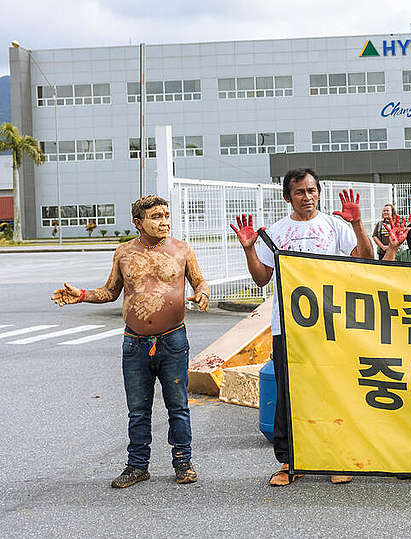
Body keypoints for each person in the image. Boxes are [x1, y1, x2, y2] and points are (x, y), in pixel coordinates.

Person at [51, 195, 209, 488]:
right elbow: (111, 292)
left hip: (172, 340)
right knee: (138, 410)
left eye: (166, 215)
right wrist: (83, 295)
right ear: (138, 222)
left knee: (178, 406)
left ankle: (183, 462)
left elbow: (199, 282)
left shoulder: (182, 250)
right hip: (134, 343)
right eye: (156, 217)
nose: (164, 221)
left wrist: (203, 294)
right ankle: (137, 466)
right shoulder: (123, 253)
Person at [230, 168, 373, 486]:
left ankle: (336, 456)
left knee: (333, 390)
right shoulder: (277, 232)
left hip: (332, 325)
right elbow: (261, 278)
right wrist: (250, 249)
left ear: (319, 193)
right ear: (287, 197)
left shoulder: (337, 227)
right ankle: (289, 461)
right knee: (289, 394)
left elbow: (365, 259)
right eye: (299, 192)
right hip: (288, 327)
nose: (307, 197)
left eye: (311, 191)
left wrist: (357, 224)